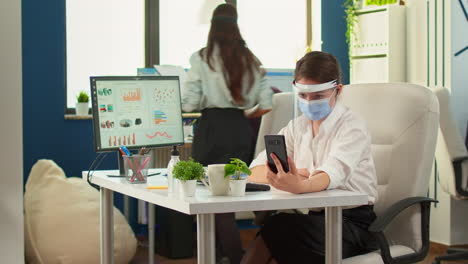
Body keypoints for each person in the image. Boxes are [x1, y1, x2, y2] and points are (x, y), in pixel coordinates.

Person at [241, 51, 379, 264]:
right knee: (276, 231)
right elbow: (255, 170)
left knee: (277, 228)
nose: (309, 102)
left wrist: (301, 185)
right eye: (303, 96)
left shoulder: (352, 126)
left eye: (317, 96)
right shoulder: (297, 127)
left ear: (337, 90)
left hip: (351, 226)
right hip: (316, 220)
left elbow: (332, 173)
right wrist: (286, 177)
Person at [182, 4, 273, 264]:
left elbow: (189, 104)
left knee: (215, 201)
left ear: (213, 26)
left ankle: (231, 259)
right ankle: (265, 246)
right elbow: (266, 103)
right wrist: (243, 115)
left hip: (212, 129)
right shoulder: (250, 60)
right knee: (238, 191)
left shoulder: (202, 58)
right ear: (236, 25)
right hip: (240, 131)